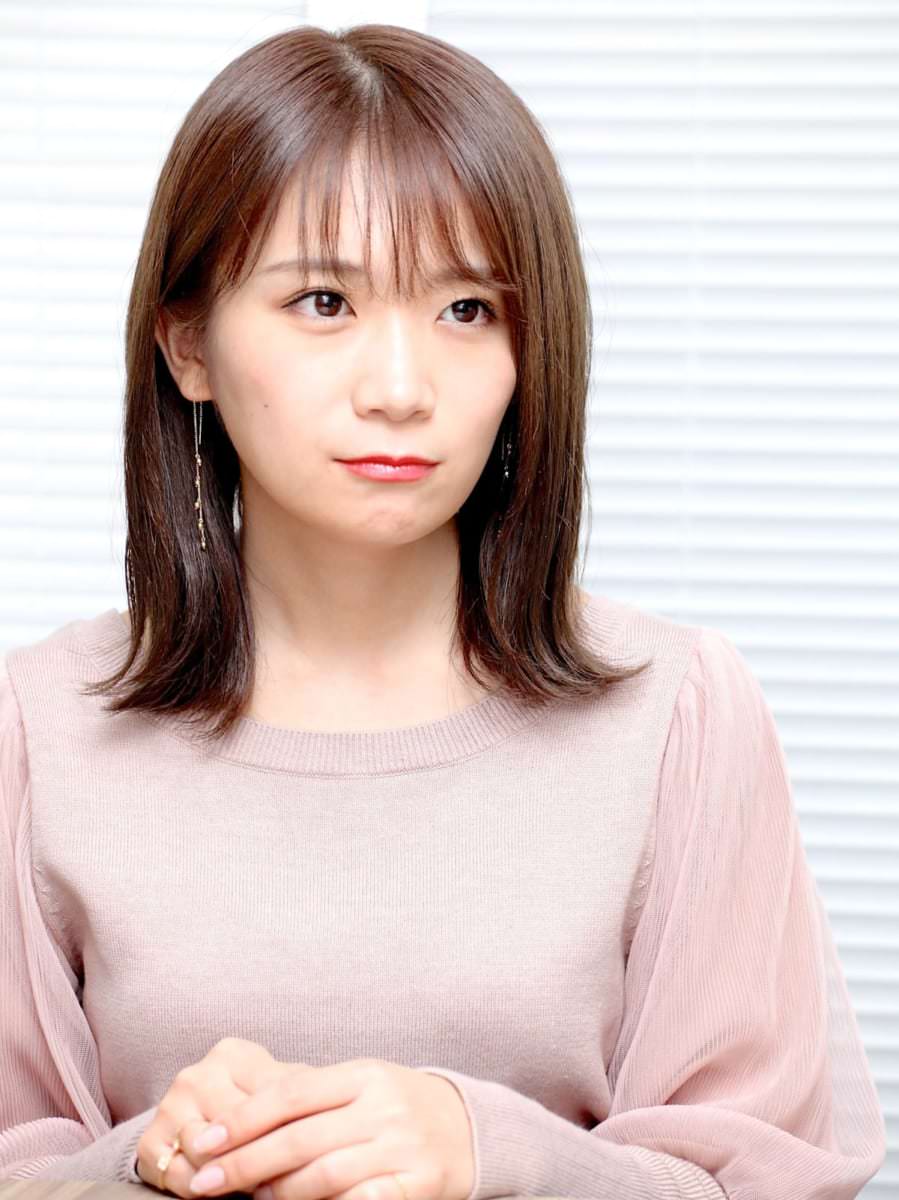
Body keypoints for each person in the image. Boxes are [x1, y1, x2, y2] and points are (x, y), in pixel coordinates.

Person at [0, 20, 887, 1200]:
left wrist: (491, 1150)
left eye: (465, 310)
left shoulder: (678, 715)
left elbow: (764, 1181)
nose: (400, 389)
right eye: (323, 300)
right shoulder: (39, 730)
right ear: (187, 346)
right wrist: (152, 1155)